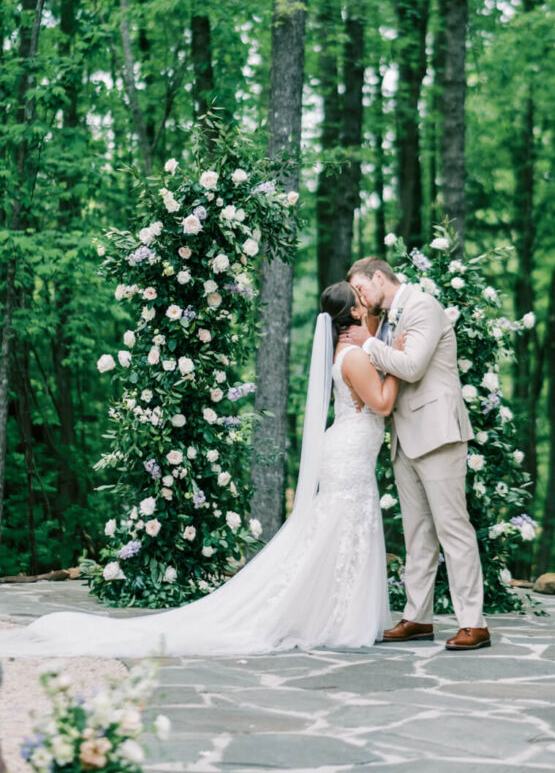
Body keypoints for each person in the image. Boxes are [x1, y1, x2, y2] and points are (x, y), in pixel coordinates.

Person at [0, 283, 401, 658]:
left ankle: (338, 615)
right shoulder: (356, 355)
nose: (367, 299)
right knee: (342, 532)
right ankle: (336, 619)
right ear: (353, 310)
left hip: (348, 451)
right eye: (360, 297)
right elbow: (382, 403)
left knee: (337, 535)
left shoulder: (346, 350)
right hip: (349, 454)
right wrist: (399, 365)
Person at [344, 256, 490, 651]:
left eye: (361, 289)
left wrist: (369, 344)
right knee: (417, 533)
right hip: (405, 437)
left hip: (437, 432)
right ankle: (417, 617)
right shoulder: (388, 318)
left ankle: (473, 623)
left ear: (379, 277)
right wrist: (376, 338)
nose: (359, 298)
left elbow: (410, 366)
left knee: (452, 528)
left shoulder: (423, 306)